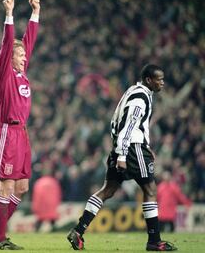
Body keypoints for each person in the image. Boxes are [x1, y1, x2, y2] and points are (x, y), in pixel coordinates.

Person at [66, 64, 177, 251]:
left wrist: (123, 148)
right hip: (132, 149)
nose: (162, 83)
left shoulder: (131, 92)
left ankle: (78, 231)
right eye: (159, 79)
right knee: (150, 189)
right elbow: (128, 125)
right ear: (149, 80)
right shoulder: (140, 98)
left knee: (107, 190)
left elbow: (115, 121)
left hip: (123, 147)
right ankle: (154, 241)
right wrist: (124, 153)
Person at [0, 0, 40, 250]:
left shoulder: (21, 74)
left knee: (23, 187)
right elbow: (9, 44)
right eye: (19, 55)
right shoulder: (3, 75)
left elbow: (28, 42)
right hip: (8, 130)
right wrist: (9, 15)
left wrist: (35, 13)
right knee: (5, 185)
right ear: (9, 58)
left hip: (22, 134)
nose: (23, 57)